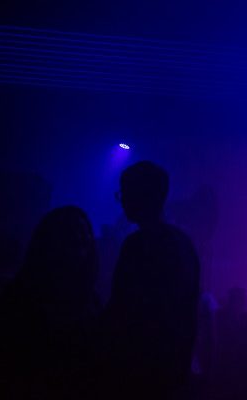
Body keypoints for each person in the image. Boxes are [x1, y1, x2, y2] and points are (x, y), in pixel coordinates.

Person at [100, 161, 200, 399]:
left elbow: (123, 308)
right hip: (171, 369)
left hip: (138, 369)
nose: (122, 201)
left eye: (125, 193)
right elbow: (189, 311)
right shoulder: (183, 243)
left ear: (142, 195)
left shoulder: (137, 245)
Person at [0, 206, 100, 399]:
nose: (81, 237)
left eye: (84, 231)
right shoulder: (23, 293)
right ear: (52, 240)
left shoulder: (90, 296)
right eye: (72, 232)